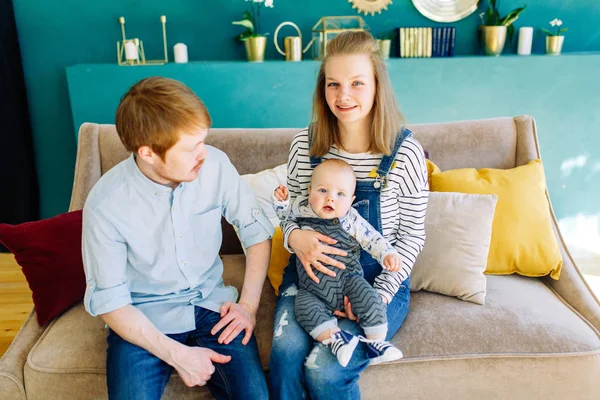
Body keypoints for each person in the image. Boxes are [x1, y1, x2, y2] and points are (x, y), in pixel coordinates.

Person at [81, 77, 273, 400]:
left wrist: (248, 307)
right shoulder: (105, 204)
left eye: (203, 142)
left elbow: (256, 234)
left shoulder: (216, 166)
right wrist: (177, 355)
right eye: (190, 148)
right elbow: (111, 303)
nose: (203, 155)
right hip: (142, 319)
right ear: (148, 153)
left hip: (212, 305)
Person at [268, 31, 429, 399]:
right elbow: (289, 212)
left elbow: (411, 236)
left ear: (376, 85)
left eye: (357, 83)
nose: (343, 96)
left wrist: (375, 297)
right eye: (333, 84)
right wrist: (295, 239)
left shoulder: (404, 154)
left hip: (371, 281)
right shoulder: (304, 147)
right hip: (309, 278)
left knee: (325, 372)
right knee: (286, 353)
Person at [272, 159, 404, 367]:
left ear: (351, 201)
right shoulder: (302, 209)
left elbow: (372, 239)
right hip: (311, 288)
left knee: (369, 298)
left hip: (348, 281)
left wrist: (387, 254)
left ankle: (377, 343)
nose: (330, 199)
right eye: (323, 190)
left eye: (340, 194)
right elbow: (284, 217)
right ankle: (336, 340)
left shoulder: (351, 219)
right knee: (303, 308)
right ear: (309, 191)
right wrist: (282, 202)